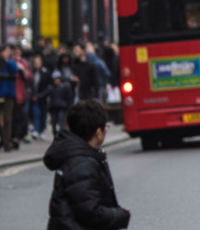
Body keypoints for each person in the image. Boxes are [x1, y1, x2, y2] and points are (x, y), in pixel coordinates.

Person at [44, 99, 130, 230]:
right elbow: (91, 213)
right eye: (105, 127)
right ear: (98, 132)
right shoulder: (82, 164)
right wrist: (121, 216)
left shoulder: (78, 157)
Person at [0, 47, 20, 152]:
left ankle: (7, 144)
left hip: (8, 95)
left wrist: (7, 60)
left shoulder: (10, 63)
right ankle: (4, 138)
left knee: (8, 120)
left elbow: (15, 70)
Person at [31, 55, 54, 141]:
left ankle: (41, 130)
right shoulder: (32, 72)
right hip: (34, 97)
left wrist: (42, 95)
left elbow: (49, 86)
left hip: (43, 97)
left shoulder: (45, 72)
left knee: (43, 114)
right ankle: (36, 129)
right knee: (36, 113)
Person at [44, 70, 74, 135]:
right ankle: (56, 133)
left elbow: (69, 97)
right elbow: (44, 94)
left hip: (62, 107)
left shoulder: (65, 87)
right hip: (54, 107)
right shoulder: (51, 88)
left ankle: (61, 134)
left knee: (61, 120)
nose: (57, 80)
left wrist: (69, 105)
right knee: (54, 121)